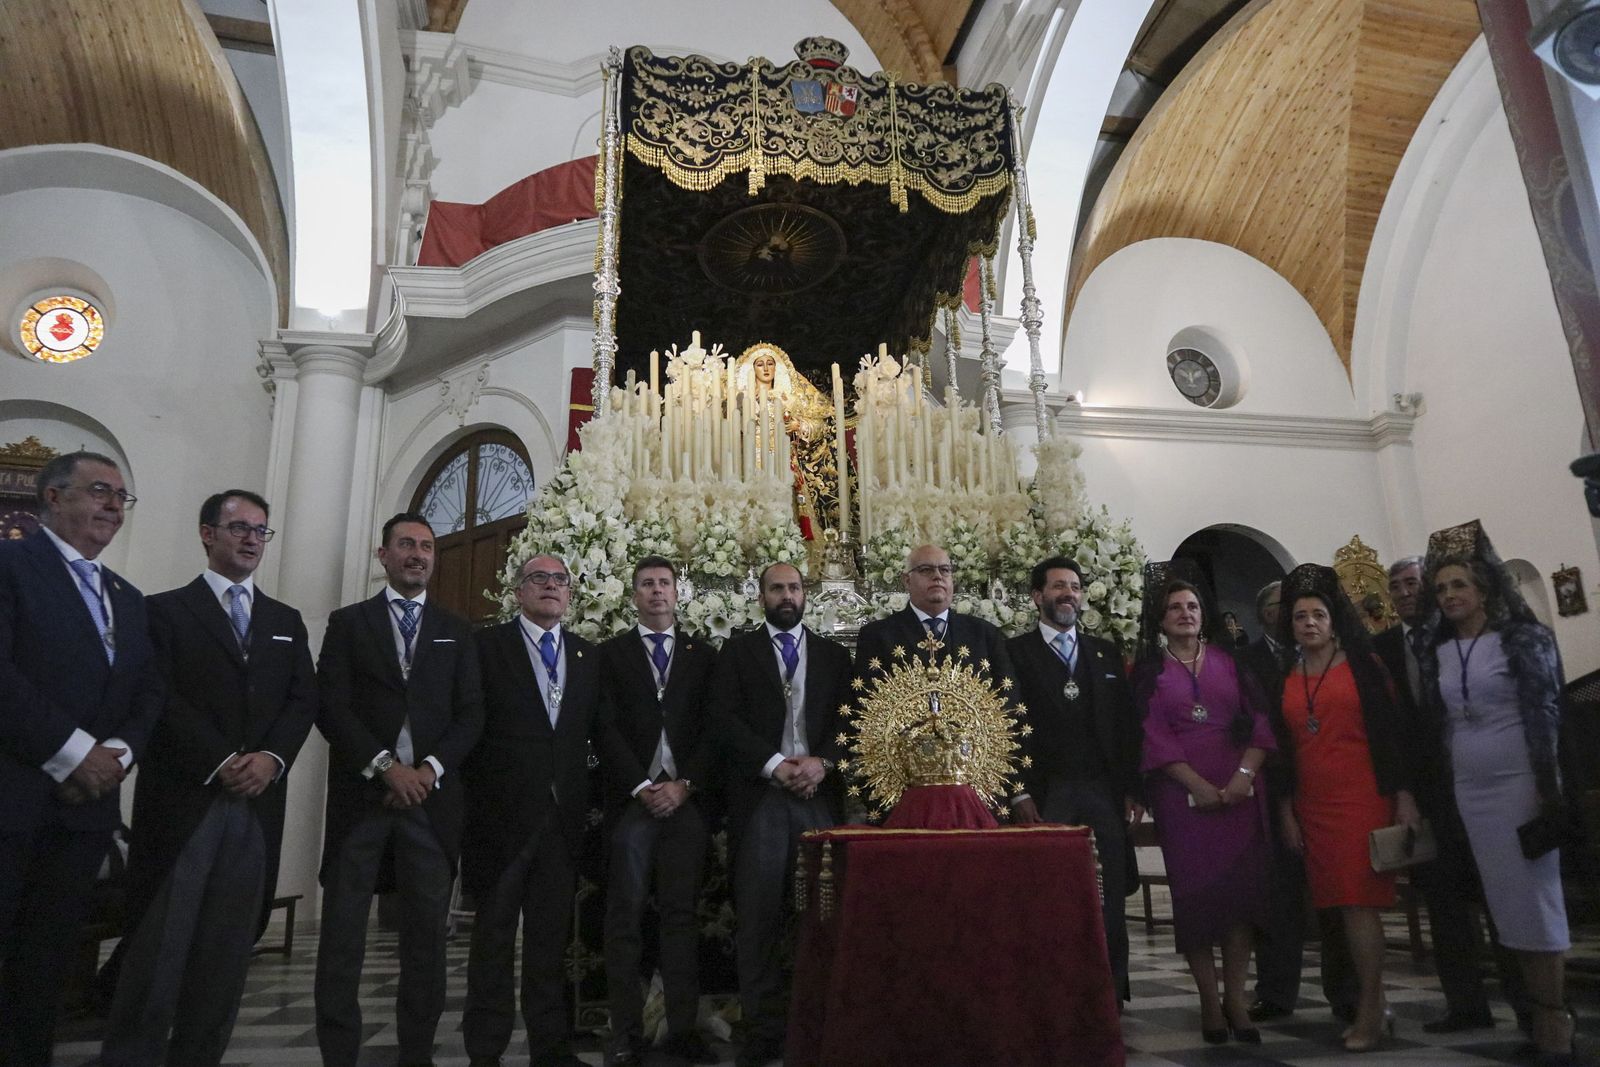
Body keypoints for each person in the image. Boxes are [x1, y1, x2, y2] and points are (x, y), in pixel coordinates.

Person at [101, 490, 317, 1066]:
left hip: (257, 805)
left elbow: (302, 700)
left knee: (226, 953)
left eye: (261, 531)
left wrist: (272, 758)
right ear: (207, 533)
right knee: (158, 951)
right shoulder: (163, 610)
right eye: (239, 527)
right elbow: (158, 697)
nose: (251, 539)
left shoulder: (284, 621)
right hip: (185, 801)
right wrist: (220, 760)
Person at [0, 451, 163, 1065]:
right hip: (14, 799)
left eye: (121, 496)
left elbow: (148, 688)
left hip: (85, 814)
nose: (114, 505)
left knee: (46, 970)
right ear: (52, 498)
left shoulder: (127, 596)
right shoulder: (11, 565)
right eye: (100, 490)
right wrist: (75, 754)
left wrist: (116, 755)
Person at [314, 513, 484, 1067]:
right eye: (406, 544)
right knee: (342, 941)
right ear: (382, 554)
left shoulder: (457, 630)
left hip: (430, 807)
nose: (417, 554)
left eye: (426, 547)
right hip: (363, 802)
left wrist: (428, 770)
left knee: (427, 944)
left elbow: (471, 714)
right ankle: (338, 1053)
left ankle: (417, 1054)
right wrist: (386, 766)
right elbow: (331, 706)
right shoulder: (349, 623)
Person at [1421, 521, 1574, 1060]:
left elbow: (1548, 714)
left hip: (1521, 784)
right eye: (1441, 589)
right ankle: (1533, 1012)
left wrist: (1547, 788)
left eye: (1459, 585)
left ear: (1483, 588)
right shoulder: (1437, 651)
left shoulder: (1523, 638)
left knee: (1537, 900)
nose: (1449, 596)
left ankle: (1555, 1017)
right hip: (1471, 790)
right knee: (1506, 906)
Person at [462, 553, 605, 1067]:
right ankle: (485, 1052)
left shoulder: (587, 656)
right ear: (518, 591)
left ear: (570, 594)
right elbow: (469, 729)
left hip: (561, 821)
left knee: (548, 949)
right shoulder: (485, 647)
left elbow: (598, 735)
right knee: (493, 946)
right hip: (500, 820)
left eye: (559, 580)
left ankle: (552, 1051)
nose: (550, 586)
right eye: (538, 578)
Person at [1270, 564, 1420, 1053]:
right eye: (1299, 617)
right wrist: (1288, 811)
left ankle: (1373, 1009)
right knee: (1337, 909)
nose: (1309, 623)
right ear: (1289, 626)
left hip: (1362, 798)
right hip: (1314, 804)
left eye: (1318, 614)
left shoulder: (1364, 665)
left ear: (1334, 621)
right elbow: (1285, 752)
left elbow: (1393, 734)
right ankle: (1367, 1002)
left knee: (1359, 906)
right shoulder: (1286, 675)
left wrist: (1404, 796)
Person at [711, 562, 851, 1067]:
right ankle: (764, 1032)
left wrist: (823, 762)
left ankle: (818, 1026)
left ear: (805, 595)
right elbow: (722, 719)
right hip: (764, 797)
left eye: (794, 588)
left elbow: (852, 720)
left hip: (819, 795)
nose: (786, 596)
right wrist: (774, 764)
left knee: (822, 915)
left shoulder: (835, 656)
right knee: (760, 917)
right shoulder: (738, 651)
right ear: (762, 596)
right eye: (777, 589)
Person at [1132, 573, 1275, 1045]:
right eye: (1175, 607)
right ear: (1161, 618)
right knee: (1196, 903)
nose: (1185, 614)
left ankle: (1237, 998)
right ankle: (1210, 1002)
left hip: (1238, 796)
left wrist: (1242, 778)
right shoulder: (1150, 671)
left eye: (1192, 606)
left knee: (1239, 902)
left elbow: (1260, 723)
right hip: (1184, 801)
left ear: (1203, 613)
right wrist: (1197, 784)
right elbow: (1153, 735)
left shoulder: (1230, 664)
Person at [598, 556, 720, 1066]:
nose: (656, 592)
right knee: (623, 917)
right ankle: (625, 1033)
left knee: (680, 917)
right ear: (634, 596)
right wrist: (642, 784)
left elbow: (716, 729)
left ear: (677, 592)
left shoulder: (703, 655)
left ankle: (681, 1030)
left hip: (684, 800)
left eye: (664, 583)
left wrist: (685, 785)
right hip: (634, 801)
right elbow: (602, 727)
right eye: (646, 584)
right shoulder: (609, 655)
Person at [1007, 555, 1142, 1004]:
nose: (1069, 593)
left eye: (1075, 586)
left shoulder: (1103, 652)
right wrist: (1018, 790)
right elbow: (1003, 724)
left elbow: (1125, 726)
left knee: (1109, 899)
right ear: (1036, 596)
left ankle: (1110, 993)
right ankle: (1050, 993)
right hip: (1046, 792)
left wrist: (1131, 790)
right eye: (1059, 586)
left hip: (1102, 790)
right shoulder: (1014, 652)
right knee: (1045, 893)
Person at [1373, 554, 1498, 1033]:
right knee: (1443, 903)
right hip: (1423, 790)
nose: (1406, 592)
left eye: (1413, 583)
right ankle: (1466, 1005)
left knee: (1495, 894)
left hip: (1476, 779)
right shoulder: (1380, 648)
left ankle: (1528, 1001)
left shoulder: (1456, 631)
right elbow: (1387, 728)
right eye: (1397, 586)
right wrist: (1401, 791)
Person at [1243, 579, 1356, 1025]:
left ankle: (1346, 993)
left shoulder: (1335, 658)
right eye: (1278, 606)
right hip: (1272, 791)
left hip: (1330, 788)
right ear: (1266, 613)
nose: (1285, 612)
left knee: (1336, 897)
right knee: (1279, 899)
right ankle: (1275, 992)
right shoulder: (1245, 658)